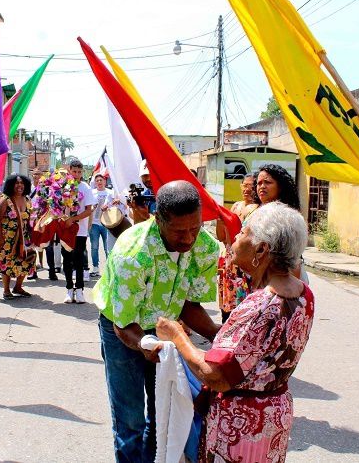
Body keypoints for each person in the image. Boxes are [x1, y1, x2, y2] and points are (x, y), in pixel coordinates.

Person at [157, 202, 313, 463]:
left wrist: (177, 335)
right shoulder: (303, 293)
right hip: (273, 415)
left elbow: (216, 376)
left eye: (243, 233)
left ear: (261, 249)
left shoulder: (259, 305)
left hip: (241, 424)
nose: (236, 238)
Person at [94, 180, 220, 463]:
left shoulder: (206, 248)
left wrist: (218, 334)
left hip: (164, 329)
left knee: (162, 414)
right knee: (131, 421)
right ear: (158, 218)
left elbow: (189, 305)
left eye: (195, 228)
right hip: (124, 328)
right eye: (179, 231)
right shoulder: (133, 254)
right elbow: (123, 324)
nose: (188, 239)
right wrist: (144, 344)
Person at [217, 164, 299, 323]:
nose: (261, 186)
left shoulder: (285, 214)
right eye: (259, 183)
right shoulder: (256, 209)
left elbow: (293, 257)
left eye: (267, 182)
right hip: (249, 277)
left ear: (280, 186)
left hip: (272, 278)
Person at [0, 174, 36, 300]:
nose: (19, 185)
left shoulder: (27, 199)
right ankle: (6, 290)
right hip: (6, 237)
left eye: (22, 183)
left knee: (27, 259)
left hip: (23, 236)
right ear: (11, 185)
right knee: (6, 261)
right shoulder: (5, 199)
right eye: (17, 183)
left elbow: (29, 219)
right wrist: (0, 238)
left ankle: (18, 287)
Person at [62, 159, 96, 304]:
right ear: (69, 170)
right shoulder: (62, 186)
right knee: (67, 259)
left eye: (79, 172)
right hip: (65, 230)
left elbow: (89, 210)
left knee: (78, 259)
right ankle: (69, 289)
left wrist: (74, 218)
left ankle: (80, 289)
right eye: (74, 171)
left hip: (80, 230)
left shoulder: (85, 187)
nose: (77, 174)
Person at [89, 174, 115, 277]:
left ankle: (109, 269)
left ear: (105, 181)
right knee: (94, 247)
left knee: (107, 247)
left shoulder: (111, 192)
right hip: (94, 223)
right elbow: (88, 205)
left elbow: (116, 202)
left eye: (101, 180)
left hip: (106, 223)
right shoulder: (92, 193)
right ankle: (95, 268)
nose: (99, 182)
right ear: (95, 183)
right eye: (97, 181)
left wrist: (109, 205)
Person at [128, 160, 157, 224]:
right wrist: (135, 209)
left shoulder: (169, 192)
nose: (148, 179)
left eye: (150, 174)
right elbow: (140, 224)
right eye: (145, 175)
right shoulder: (144, 197)